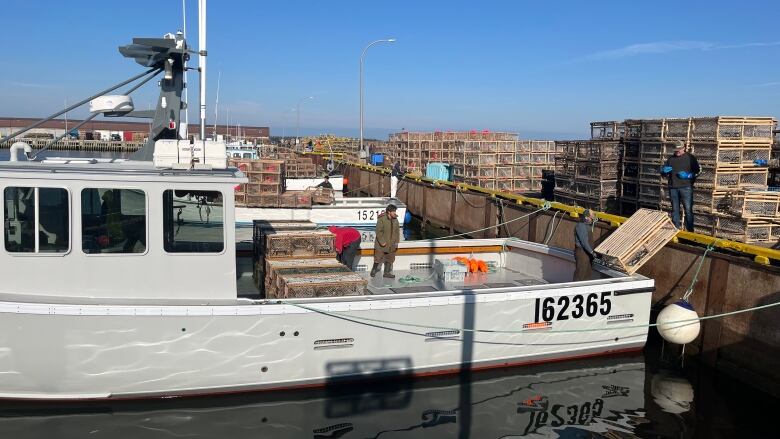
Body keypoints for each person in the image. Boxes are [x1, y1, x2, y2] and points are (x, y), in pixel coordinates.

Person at [661, 140, 700, 231]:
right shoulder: (671, 159)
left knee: (688, 210)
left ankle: (690, 231)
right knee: (675, 210)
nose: (677, 152)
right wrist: (663, 171)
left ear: (684, 148)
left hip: (686, 188)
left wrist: (688, 175)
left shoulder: (690, 158)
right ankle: (676, 229)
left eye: (679, 150)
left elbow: (698, 171)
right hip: (673, 188)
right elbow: (664, 173)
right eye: (675, 150)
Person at [371, 204, 400, 278]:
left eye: (395, 211)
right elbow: (378, 231)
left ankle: (386, 273)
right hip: (381, 244)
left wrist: (396, 242)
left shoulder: (396, 220)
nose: (395, 213)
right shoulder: (381, 219)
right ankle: (374, 270)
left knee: (390, 258)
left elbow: (397, 232)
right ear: (389, 212)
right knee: (378, 258)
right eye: (393, 211)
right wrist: (382, 241)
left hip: (392, 244)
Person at [573, 209, 597, 282]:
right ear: (586, 217)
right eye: (591, 218)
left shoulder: (587, 226)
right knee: (580, 274)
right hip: (582, 253)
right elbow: (584, 242)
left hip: (587, 254)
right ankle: (575, 291)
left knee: (587, 274)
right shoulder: (581, 226)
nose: (592, 220)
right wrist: (591, 252)